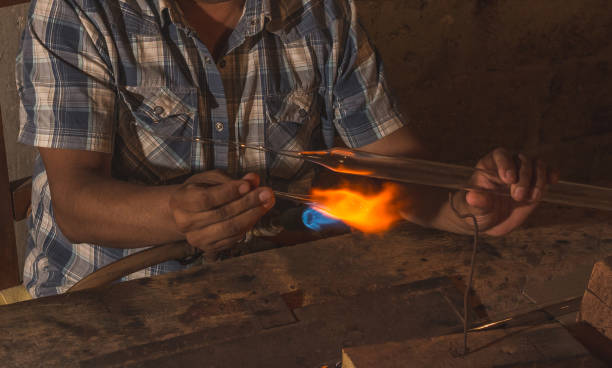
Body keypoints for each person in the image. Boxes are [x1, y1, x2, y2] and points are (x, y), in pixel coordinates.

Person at [16, 0, 555, 298]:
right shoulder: (78, 11)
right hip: (107, 298)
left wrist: (463, 208)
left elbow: (398, 171)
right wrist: (177, 212)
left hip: (270, 289)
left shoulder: (323, 14)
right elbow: (77, 203)